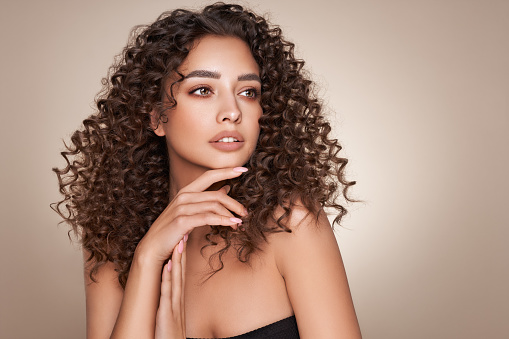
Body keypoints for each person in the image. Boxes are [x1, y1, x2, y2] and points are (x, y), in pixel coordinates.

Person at [52, 3, 362, 338]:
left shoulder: (292, 222)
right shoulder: (110, 239)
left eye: (247, 92)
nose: (232, 112)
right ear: (156, 117)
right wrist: (147, 257)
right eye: (203, 90)